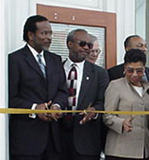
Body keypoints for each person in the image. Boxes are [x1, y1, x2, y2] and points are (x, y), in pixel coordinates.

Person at [8, 15, 68, 160]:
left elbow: (62, 90)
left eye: (50, 33)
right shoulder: (15, 60)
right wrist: (35, 108)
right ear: (30, 35)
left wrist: (57, 106)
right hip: (26, 141)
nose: (49, 37)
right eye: (44, 33)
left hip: (53, 140)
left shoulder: (55, 59)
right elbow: (11, 98)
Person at [61, 29, 109, 160]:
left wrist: (95, 112)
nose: (87, 48)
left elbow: (103, 102)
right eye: (82, 44)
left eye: (89, 45)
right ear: (70, 44)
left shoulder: (99, 73)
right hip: (57, 141)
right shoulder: (56, 69)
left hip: (86, 141)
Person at [103, 49, 149, 160]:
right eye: (130, 70)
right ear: (125, 68)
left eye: (139, 71)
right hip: (120, 152)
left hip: (144, 151)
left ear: (144, 69)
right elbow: (107, 116)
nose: (135, 74)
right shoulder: (115, 86)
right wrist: (121, 123)